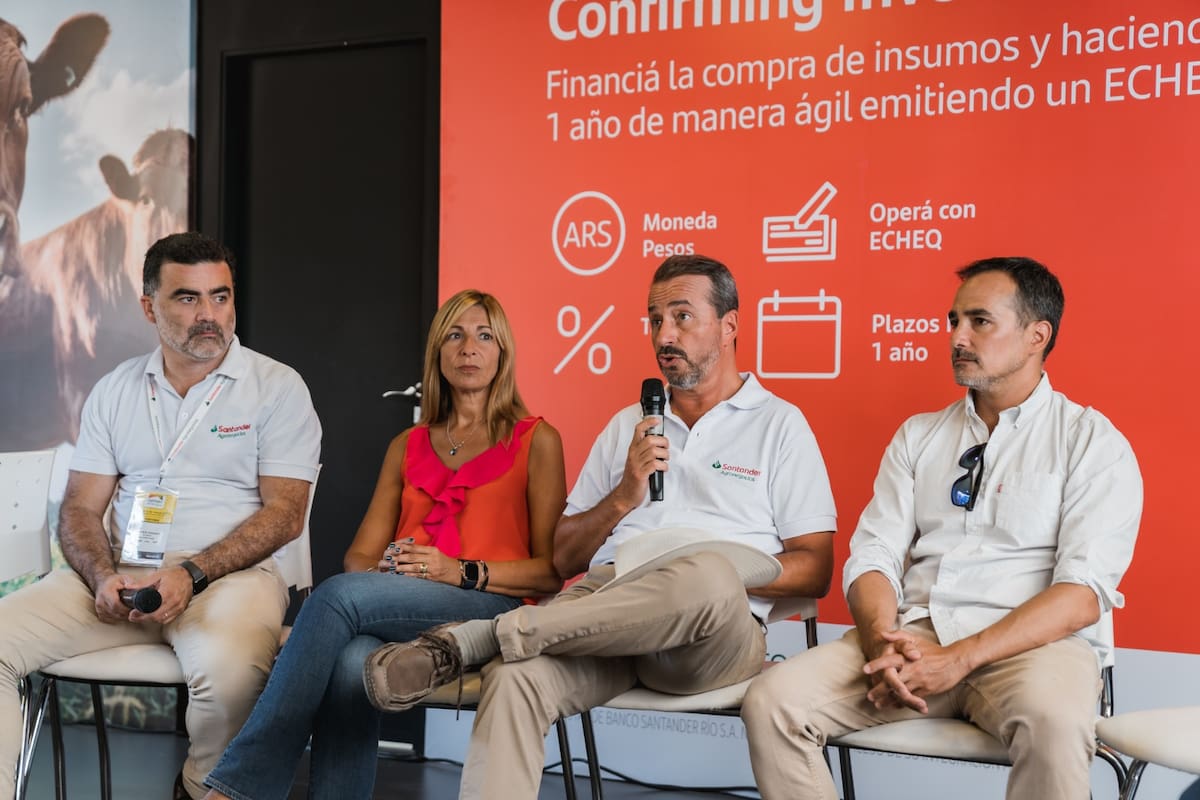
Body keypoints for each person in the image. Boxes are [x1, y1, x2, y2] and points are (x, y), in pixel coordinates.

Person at [362, 254, 838, 800]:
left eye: (682, 317)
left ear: (729, 325)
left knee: (707, 571)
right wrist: (624, 496)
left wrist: (718, 572)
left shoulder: (779, 424)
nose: (664, 335)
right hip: (605, 616)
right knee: (514, 679)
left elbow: (816, 569)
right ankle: (496, 644)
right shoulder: (626, 425)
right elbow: (564, 559)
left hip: (710, 634)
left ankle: (481, 638)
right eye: (655, 320)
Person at [742, 257, 1142, 799]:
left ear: (1036, 336)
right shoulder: (919, 436)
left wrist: (959, 658)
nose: (957, 336)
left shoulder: (1090, 442)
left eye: (980, 321)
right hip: (913, 638)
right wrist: (882, 644)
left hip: (1033, 649)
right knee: (772, 701)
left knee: (1054, 725)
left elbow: (1082, 595)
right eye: (954, 320)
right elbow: (873, 557)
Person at [201, 289, 566, 800]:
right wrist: (391, 569)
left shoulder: (537, 440)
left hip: (491, 605)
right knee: (350, 664)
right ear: (437, 352)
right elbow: (359, 558)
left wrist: (456, 570)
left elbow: (551, 572)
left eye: (485, 336)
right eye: (455, 335)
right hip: (406, 602)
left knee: (336, 597)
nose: (469, 348)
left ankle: (241, 786)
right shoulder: (407, 445)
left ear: (503, 352)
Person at [0, 232, 322, 800]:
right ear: (149, 307)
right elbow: (80, 508)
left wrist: (191, 574)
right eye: (188, 298)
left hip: (230, 579)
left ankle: (199, 790)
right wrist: (101, 576)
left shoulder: (276, 387)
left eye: (220, 296)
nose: (209, 315)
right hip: (120, 575)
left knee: (233, 678)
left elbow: (285, 514)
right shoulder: (115, 390)